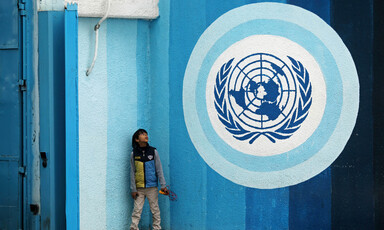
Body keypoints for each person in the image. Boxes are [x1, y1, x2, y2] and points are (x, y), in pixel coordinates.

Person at [130, 129, 168, 230]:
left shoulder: (153, 151)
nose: (146, 135)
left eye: (146, 134)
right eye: (142, 134)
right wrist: (133, 189)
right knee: (137, 210)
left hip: (152, 187)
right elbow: (132, 172)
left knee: (155, 210)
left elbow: (159, 169)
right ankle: (133, 228)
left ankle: (157, 228)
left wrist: (163, 185)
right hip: (139, 189)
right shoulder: (133, 154)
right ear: (137, 140)